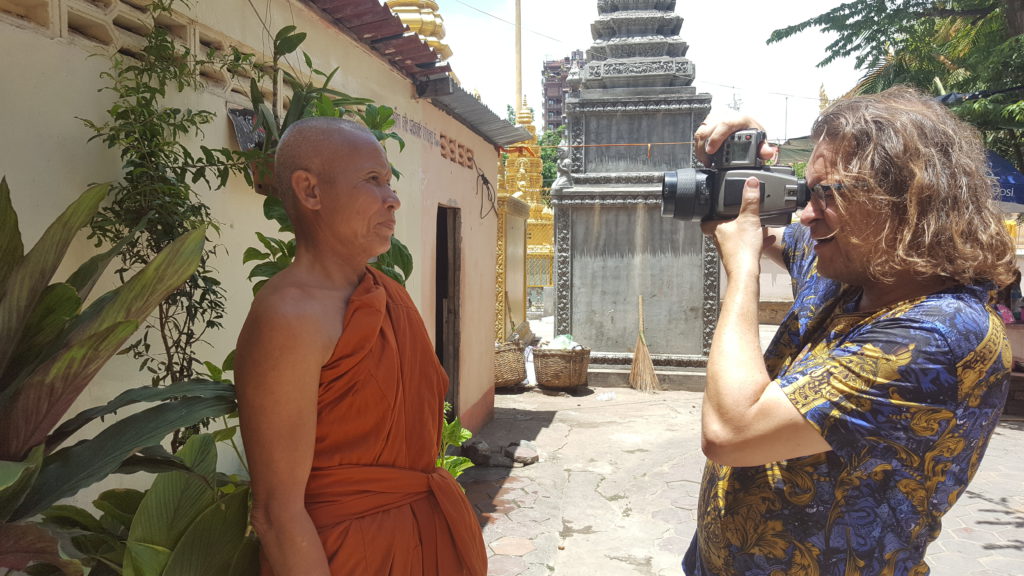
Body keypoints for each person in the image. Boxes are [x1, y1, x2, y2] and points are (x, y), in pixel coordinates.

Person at [684, 86, 1016, 575]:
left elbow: (732, 431)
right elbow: (747, 227)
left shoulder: (939, 335)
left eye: (826, 193)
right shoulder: (854, 269)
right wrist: (731, 170)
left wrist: (744, 271)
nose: (806, 213)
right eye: (806, 192)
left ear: (906, 199)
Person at [234, 116, 487, 576]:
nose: (392, 199)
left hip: (426, 538)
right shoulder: (289, 317)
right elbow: (276, 513)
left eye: (388, 182)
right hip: (346, 556)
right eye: (373, 181)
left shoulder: (388, 293)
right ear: (311, 191)